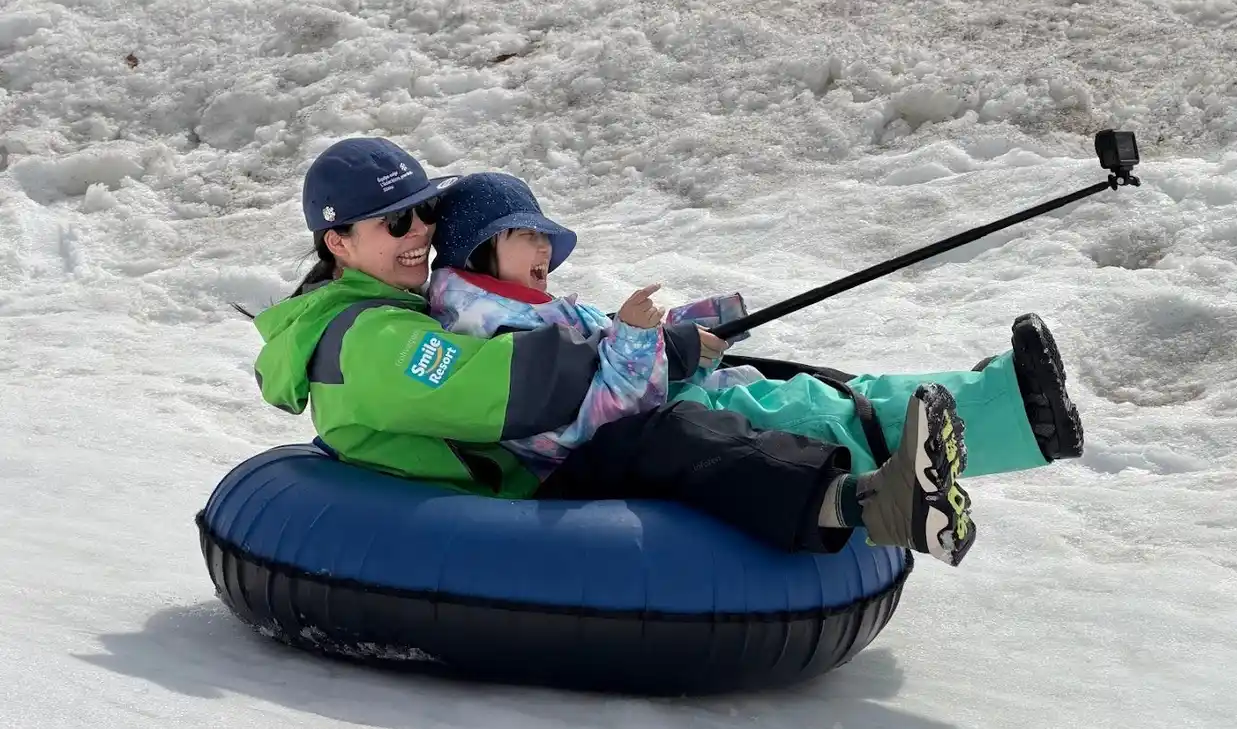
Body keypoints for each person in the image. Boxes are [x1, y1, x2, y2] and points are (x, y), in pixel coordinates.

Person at [247, 136, 977, 567]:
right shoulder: (370, 339)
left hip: (521, 469)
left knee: (729, 396)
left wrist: (669, 342)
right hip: (511, 495)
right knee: (661, 437)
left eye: (424, 213)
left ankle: (897, 460)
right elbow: (509, 385)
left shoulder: (391, 311)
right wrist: (650, 350)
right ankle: (869, 503)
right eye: (394, 223)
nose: (419, 234)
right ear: (338, 242)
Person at [425, 171, 1083, 488]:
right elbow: (586, 422)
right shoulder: (497, 336)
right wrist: (637, 339)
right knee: (816, 415)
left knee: (828, 388)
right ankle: (1019, 418)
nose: (543, 246)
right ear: (479, 250)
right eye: (522, 234)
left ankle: (999, 397)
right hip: (650, 439)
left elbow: (612, 364)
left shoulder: (528, 312)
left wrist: (691, 335)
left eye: (543, 233)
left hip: (674, 406)